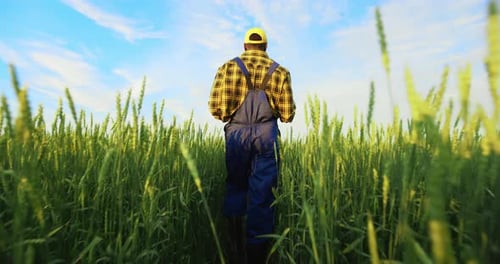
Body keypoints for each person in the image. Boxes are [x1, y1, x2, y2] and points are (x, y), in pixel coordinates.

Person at [208, 27, 296, 263]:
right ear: (265, 47)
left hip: (236, 135)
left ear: (245, 46)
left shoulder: (227, 68)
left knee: (236, 186)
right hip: (266, 135)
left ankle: (234, 248)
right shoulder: (280, 72)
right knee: (262, 194)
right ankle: (257, 256)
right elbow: (288, 115)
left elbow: (217, 110)